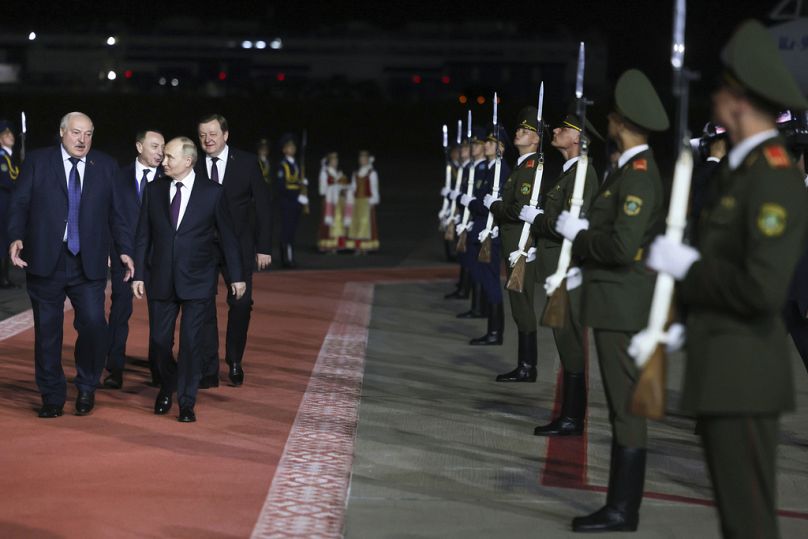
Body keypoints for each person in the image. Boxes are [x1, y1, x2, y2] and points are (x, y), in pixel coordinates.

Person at [645, 20, 808, 538]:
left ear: (739, 100)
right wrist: (680, 323)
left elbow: (760, 290)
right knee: (735, 520)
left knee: (749, 520)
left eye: (722, 87)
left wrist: (687, 268)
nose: (713, 96)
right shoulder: (738, 172)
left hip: (745, 376)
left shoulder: (773, 178)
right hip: (720, 365)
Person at [555, 70, 668, 531]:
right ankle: (620, 504)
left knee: (625, 404)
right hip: (612, 298)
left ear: (622, 122)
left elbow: (621, 248)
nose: (608, 123)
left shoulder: (637, 177)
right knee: (622, 402)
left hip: (622, 302)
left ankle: (622, 508)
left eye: (613, 117)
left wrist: (581, 237)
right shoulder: (627, 171)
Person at [7, 112, 134, 418]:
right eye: (76, 132)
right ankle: (52, 395)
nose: (82, 140)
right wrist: (15, 237)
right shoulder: (38, 161)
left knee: (94, 325)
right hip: (46, 259)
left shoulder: (105, 166)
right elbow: (19, 203)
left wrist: (125, 251)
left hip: (88, 263)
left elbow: (118, 214)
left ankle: (87, 385)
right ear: (62, 132)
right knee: (48, 332)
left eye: (88, 134)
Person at [133, 137, 245, 423]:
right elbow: (143, 234)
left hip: (198, 280)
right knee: (159, 342)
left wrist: (236, 276)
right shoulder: (154, 189)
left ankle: (186, 401)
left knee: (191, 344)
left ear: (188, 161)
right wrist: (139, 274)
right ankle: (167, 384)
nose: (163, 161)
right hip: (161, 278)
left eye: (170, 157)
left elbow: (228, 237)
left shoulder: (213, 192)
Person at [521, 112, 600, 435]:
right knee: (562, 337)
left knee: (569, 339)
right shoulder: (569, 173)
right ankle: (569, 414)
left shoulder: (583, 175)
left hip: (567, 269)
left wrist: (538, 220)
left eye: (564, 128)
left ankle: (572, 418)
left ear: (578, 139)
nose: (555, 130)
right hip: (556, 266)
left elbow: (571, 223)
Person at [195, 114, 272, 388]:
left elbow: (262, 205)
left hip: (238, 246)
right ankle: (208, 367)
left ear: (225, 135)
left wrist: (264, 246)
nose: (208, 139)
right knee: (203, 304)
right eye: (203, 135)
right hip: (203, 247)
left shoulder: (247, 162)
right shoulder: (193, 163)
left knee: (241, 303)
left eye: (213, 133)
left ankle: (235, 359)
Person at [103, 129, 165, 390]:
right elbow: (110, 217)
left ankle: (159, 369)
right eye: (154, 146)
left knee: (160, 314)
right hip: (124, 255)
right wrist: (114, 251)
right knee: (120, 312)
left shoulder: (169, 179)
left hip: (159, 258)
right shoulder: (118, 177)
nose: (160, 152)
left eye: (162, 147)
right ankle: (114, 369)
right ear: (139, 147)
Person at [486, 107, 542, 382]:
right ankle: (525, 364)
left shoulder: (531, 168)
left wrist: (495, 206)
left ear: (536, 139)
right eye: (519, 128)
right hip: (512, 243)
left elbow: (519, 208)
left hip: (520, 244)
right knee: (518, 304)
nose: (518, 132)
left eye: (525, 130)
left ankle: (527, 367)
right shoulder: (521, 166)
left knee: (522, 304)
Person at [468, 124, 511, 345]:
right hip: (482, 228)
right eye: (486, 141)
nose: (486, 145)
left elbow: (489, 205)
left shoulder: (500, 170)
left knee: (491, 281)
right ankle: (492, 330)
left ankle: (495, 332)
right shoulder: (491, 168)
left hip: (489, 232)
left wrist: (471, 203)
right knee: (485, 278)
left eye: (491, 142)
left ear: (501, 147)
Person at [456, 127, 490, 319]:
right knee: (470, 261)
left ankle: (479, 308)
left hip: (479, 220)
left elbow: (479, 197)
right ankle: (475, 305)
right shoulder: (474, 167)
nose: (472, 148)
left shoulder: (484, 168)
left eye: (476, 144)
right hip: (470, 218)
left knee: (478, 267)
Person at [444, 137, 472, 299]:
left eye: (464, 149)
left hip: (468, 216)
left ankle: (465, 287)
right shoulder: (464, 167)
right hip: (461, 213)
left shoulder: (470, 168)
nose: (461, 152)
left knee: (467, 255)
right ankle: (463, 283)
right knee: (462, 253)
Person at [275, 133, 308, 268]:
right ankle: (286, 258)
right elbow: (282, 186)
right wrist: (296, 195)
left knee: (292, 230)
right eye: (289, 147)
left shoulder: (296, 164)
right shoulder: (283, 165)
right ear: (284, 150)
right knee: (287, 230)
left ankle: (290, 256)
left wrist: (303, 184)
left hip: (296, 203)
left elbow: (297, 181)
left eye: (293, 147)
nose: (292, 149)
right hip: (288, 201)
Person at [317, 151, 352, 253]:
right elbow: (322, 190)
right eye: (333, 160)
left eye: (336, 160)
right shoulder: (325, 173)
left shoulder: (338, 173)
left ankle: (339, 243)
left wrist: (344, 188)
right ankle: (329, 244)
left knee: (339, 221)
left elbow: (344, 185)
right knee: (330, 222)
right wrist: (335, 187)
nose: (335, 162)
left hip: (339, 201)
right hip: (330, 201)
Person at [348, 150, 380, 254]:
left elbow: (374, 188)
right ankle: (357, 246)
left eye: (364, 158)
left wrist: (372, 201)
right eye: (361, 158)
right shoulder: (356, 173)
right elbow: (353, 187)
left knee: (365, 223)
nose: (362, 160)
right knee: (356, 223)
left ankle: (365, 246)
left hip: (366, 201)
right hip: (357, 201)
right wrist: (349, 195)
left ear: (368, 159)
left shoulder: (372, 173)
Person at [0, 119, 19, 289]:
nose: (11, 136)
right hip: (2, 203)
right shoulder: (2, 158)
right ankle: (2, 278)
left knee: (6, 239)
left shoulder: (9, 158)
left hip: (8, 204)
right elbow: (7, 180)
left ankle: (5, 276)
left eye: (11, 133)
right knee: (2, 239)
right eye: (6, 134)